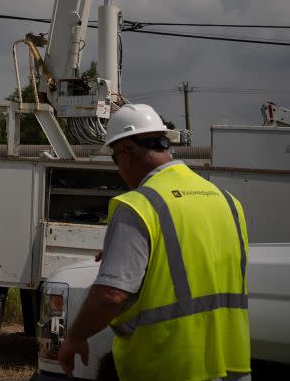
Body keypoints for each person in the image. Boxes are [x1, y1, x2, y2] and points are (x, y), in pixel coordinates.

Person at [58, 103, 250, 381]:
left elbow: (112, 295)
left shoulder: (138, 205)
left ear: (125, 152)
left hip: (168, 364)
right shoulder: (227, 201)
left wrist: (75, 337)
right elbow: (200, 260)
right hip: (232, 363)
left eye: (114, 158)